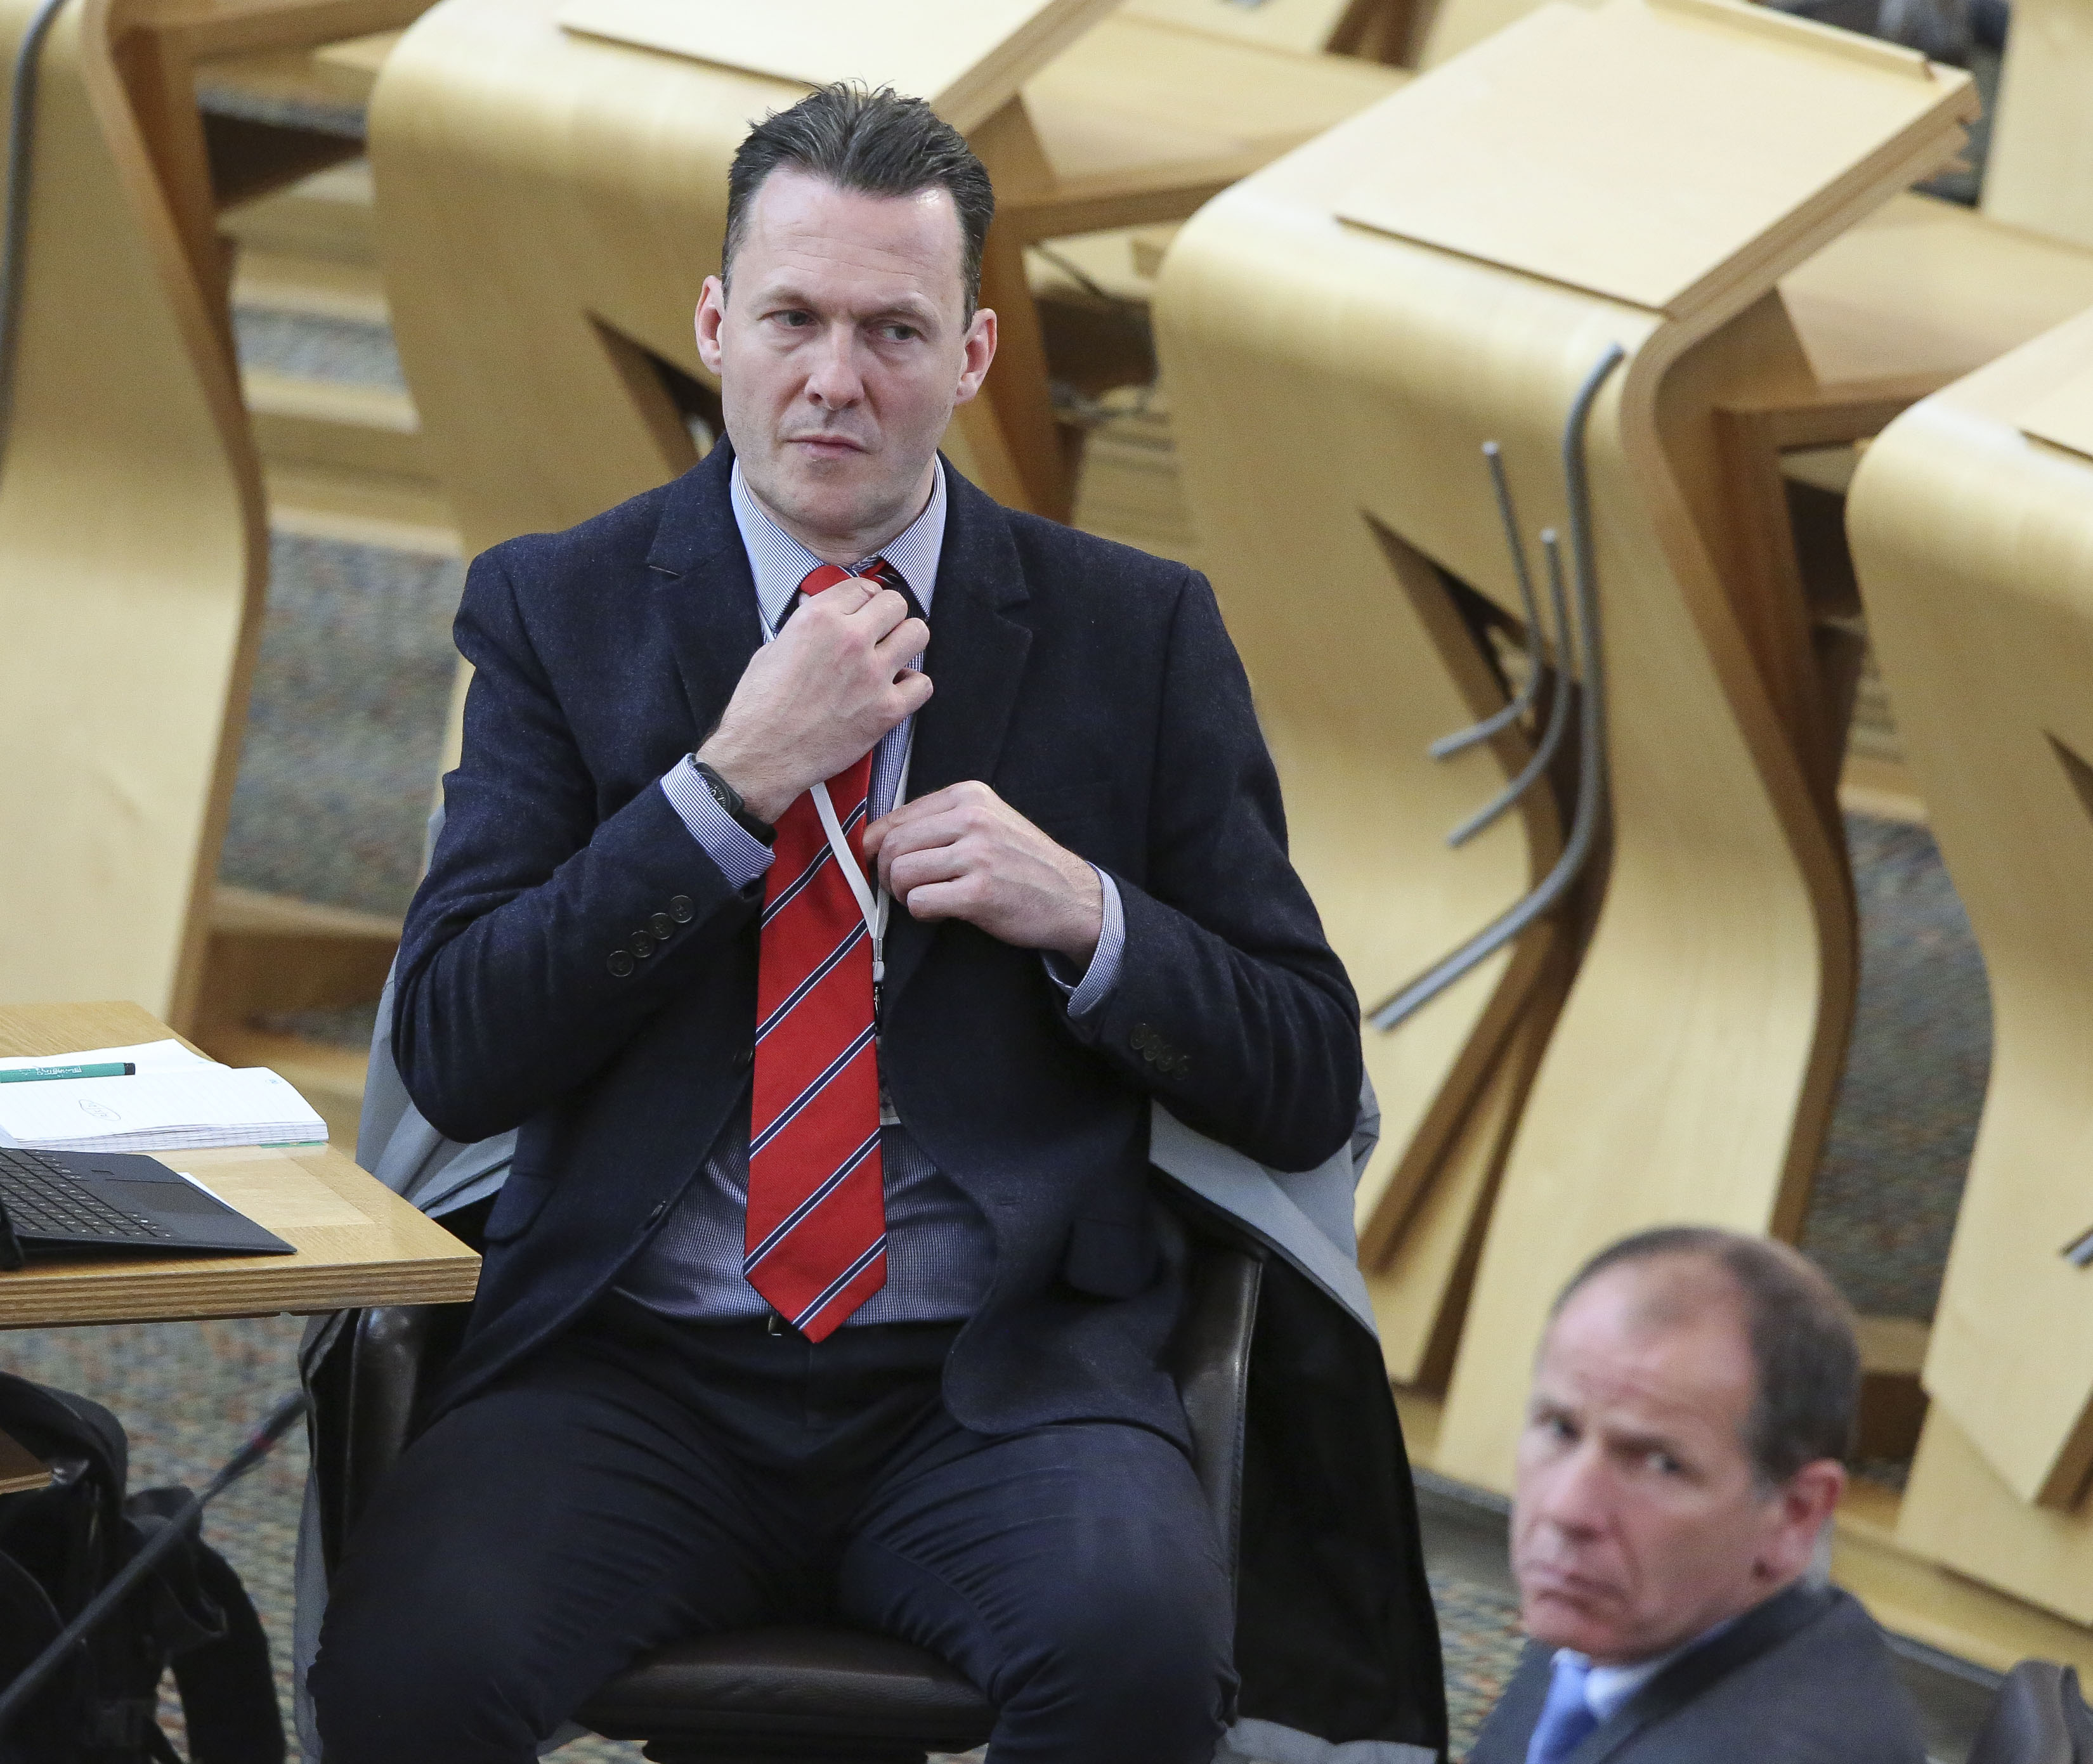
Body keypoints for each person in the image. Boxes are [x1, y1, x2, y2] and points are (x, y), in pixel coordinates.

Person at [309, 83, 1444, 1764]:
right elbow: (461, 1047)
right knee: (404, 1666)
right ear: (713, 324)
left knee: (1136, 1654)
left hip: (997, 1376)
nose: (834, 379)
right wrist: (725, 788)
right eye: (791, 320)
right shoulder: (564, 609)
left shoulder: (1132, 633)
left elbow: (1296, 1068)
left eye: (892, 331)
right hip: (633, 1365)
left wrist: (1089, 916)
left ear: (975, 353)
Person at [1468, 1226, 1927, 1763]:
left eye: (1662, 1464)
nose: (1566, 1509)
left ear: (1795, 1514)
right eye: (1559, 1429)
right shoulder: (1621, 1612)